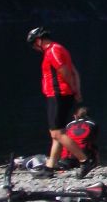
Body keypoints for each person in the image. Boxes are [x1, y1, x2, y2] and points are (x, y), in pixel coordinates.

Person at [26, 27, 94, 179]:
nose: (34, 48)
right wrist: (77, 90)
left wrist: (74, 89)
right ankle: (50, 167)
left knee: (57, 133)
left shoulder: (53, 50)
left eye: (33, 45)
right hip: (59, 94)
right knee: (56, 133)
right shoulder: (58, 49)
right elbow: (74, 71)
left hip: (59, 94)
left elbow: (66, 72)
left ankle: (85, 160)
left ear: (39, 41)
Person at [57, 106, 98, 170]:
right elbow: (93, 139)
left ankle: (61, 162)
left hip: (67, 158)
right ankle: (94, 164)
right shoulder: (93, 124)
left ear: (75, 116)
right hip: (84, 158)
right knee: (93, 146)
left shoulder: (69, 125)